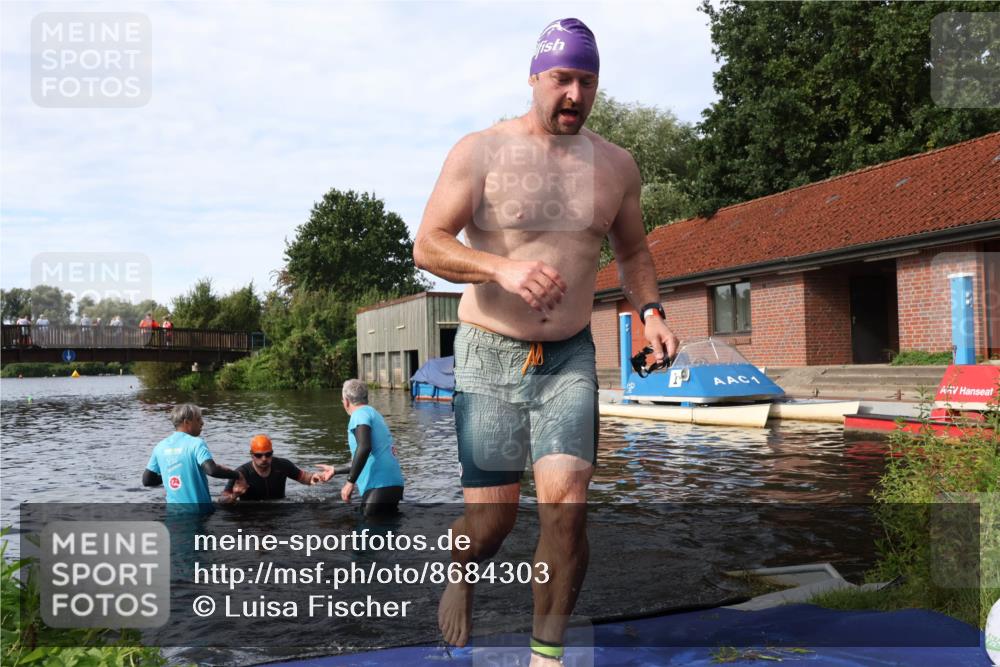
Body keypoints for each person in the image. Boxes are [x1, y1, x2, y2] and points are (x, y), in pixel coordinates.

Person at [412, 17, 679, 664]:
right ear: (534, 77)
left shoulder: (616, 165)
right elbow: (429, 244)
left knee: (566, 509)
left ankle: (546, 653)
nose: (574, 94)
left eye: (587, 81)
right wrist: (501, 267)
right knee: (492, 522)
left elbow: (635, 249)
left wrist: (651, 312)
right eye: (562, 78)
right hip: (487, 354)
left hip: (568, 356)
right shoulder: (480, 152)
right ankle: (461, 570)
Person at [142, 404, 246, 512]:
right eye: (198, 419)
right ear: (186, 422)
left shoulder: (160, 447)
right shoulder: (196, 443)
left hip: (173, 516)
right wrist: (236, 475)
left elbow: (147, 480)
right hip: (198, 514)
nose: (202, 422)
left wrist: (172, 472)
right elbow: (212, 470)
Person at [338, 379, 404, 516]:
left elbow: (364, 447)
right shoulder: (375, 414)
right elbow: (366, 459)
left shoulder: (359, 415)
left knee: (369, 534)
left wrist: (350, 482)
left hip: (378, 487)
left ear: (346, 401)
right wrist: (335, 470)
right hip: (394, 485)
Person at [219, 434, 335, 503]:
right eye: (259, 455)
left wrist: (313, 477)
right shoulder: (241, 474)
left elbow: (304, 477)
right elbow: (221, 500)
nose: (264, 459)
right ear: (252, 455)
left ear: (272, 453)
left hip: (279, 512)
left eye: (268, 454)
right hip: (252, 516)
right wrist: (235, 495)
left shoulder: (282, 465)